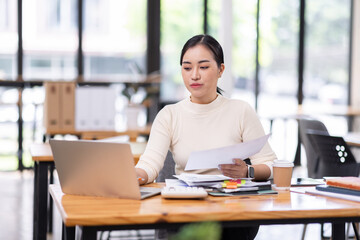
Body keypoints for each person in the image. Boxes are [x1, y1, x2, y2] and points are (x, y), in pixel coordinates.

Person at [135, 34, 277, 240]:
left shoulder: (240, 111)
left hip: (232, 209)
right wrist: (133, 176)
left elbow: (270, 164)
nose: (194, 75)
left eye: (203, 67)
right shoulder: (170, 114)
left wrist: (248, 171)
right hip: (187, 208)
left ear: (221, 70)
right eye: (187, 67)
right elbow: (150, 165)